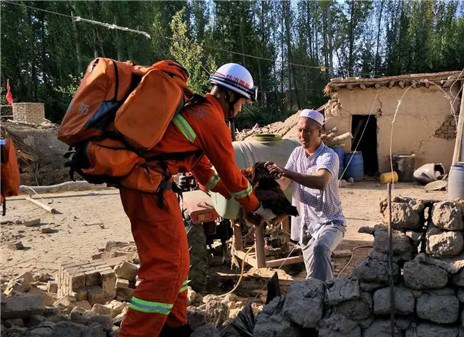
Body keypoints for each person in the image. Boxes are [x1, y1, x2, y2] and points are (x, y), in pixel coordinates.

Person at [117, 63, 276, 337]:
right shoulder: (211, 119)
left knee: (179, 264)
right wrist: (256, 208)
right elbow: (231, 174)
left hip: (151, 187)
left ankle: (175, 326)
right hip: (149, 188)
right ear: (230, 96)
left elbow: (204, 171)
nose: (240, 109)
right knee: (165, 270)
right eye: (242, 102)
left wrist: (234, 198)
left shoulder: (198, 111)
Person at [266, 109, 345, 282]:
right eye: (300, 130)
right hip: (306, 227)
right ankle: (323, 297)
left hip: (330, 222)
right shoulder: (296, 154)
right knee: (314, 275)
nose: (303, 135)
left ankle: (322, 299)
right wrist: (265, 187)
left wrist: (286, 172)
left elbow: (320, 181)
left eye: (308, 131)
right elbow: (284, 183)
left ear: (320, 132)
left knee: (321, 247)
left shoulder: (328, 156)